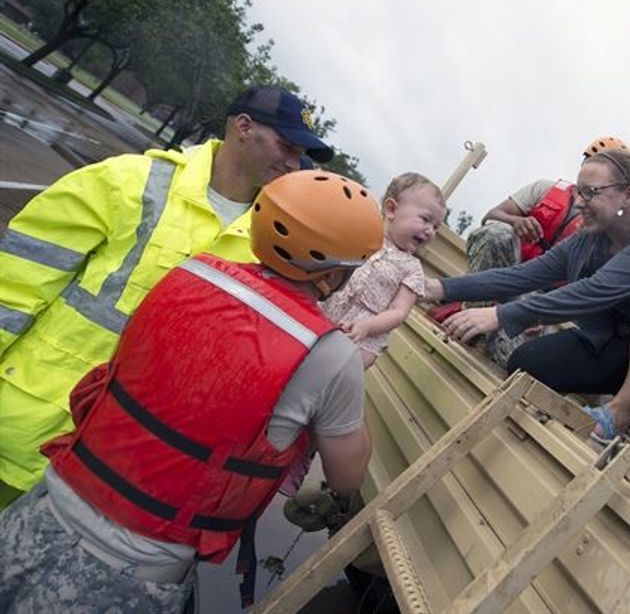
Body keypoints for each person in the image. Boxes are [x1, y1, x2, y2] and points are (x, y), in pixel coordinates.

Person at [0, 169, 383, 612]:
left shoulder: (188, 271)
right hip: (130, 576)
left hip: (40, 511)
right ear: (335, 274)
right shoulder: (331, 354)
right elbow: (346, 478)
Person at [0, 85, 334, 507]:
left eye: (301, 152)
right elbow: (13, 290)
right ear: (243, 127)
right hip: (21, 429)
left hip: (116, 472)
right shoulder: (126, 182)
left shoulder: (273, 248)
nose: (294, 162)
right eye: (287, 145)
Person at [425, 149, 630, 441]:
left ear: (629, 194)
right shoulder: (588, 239)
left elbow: (594, 291)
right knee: (526, 364)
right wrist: (440, 287)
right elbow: (523, 276)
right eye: (577, 192)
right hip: (618, 348)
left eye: (590, 193)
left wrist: (500, 314)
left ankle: (620, 412)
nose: (578, 202)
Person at [324, 173, 446, 368]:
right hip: (327, 312)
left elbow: (399, 312)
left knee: (334, 375)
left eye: (436, 226)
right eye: (425, 219)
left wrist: (368, 327)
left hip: (363, 338)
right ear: (391, 210)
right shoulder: (363, 235)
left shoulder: (412, 268)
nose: (430, 231)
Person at [465, 135, 630, 274]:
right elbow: (490, 216)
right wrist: (516, 222)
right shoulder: (544, 188)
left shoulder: (609, 229)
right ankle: (473, 306)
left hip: (542, 295)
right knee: (496, 233)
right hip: (505, 270)